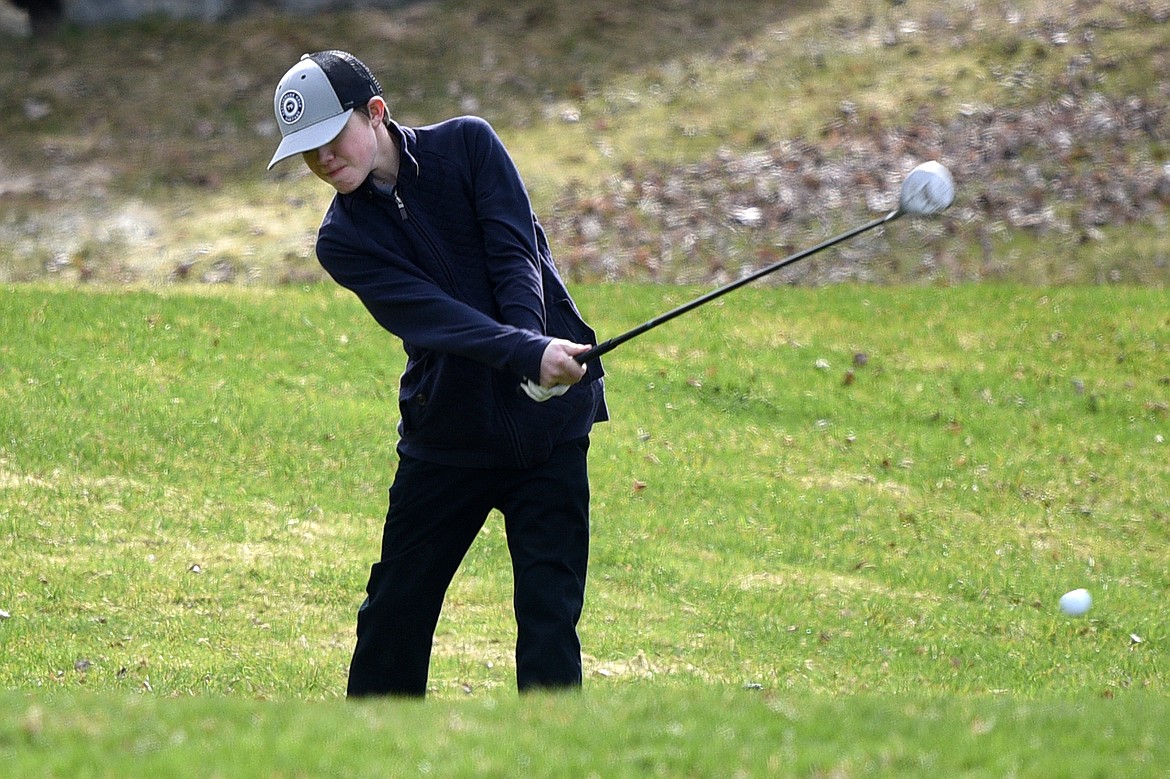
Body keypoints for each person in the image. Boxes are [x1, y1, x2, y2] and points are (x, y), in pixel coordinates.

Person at [266, 51, 608, 697]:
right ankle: (374, 754)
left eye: (329, 140)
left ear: (375, 113)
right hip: (450, 434)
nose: (322, 162)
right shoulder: (342, 240)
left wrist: (534, 352)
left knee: (550, 614)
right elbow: (434, 319)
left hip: (550, 431)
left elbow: (515, 253)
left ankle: (558, 755)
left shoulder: (469, 145)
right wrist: (526, 356)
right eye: (305, 154)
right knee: (395, 611)